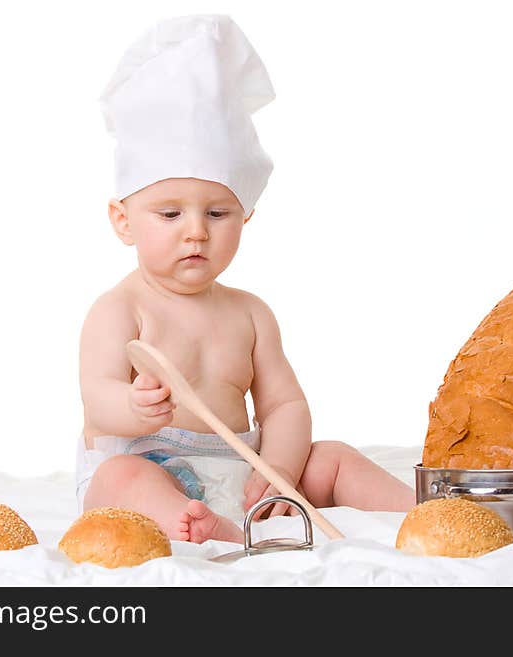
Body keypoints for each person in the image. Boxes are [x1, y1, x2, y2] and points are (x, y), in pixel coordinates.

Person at [76, 14, 415, 544]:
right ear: (123, 220)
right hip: (156, 462)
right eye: (170, 215)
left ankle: (422, 510)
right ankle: (202, 527)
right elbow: (96, 395)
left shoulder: (250, 313)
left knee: (334, 458)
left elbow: (284, 405)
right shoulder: (121, 309)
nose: (196, 234)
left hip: (246, 469)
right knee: (121, 480)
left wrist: (276, 465)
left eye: (217, 214)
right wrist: (133, 408)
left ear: (247, 217)